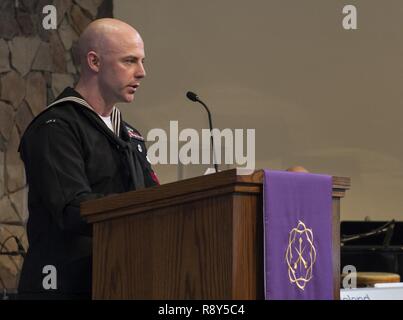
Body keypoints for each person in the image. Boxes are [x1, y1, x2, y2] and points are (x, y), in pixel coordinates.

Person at [17, 18, 159, 299]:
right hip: (66, 286)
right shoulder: (55, 127)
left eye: (142, 61)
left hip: (123, 279)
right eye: (129, 61)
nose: (142, 72)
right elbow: (73, 209)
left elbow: (152, 199)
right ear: (94, 62)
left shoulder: (129, 135)